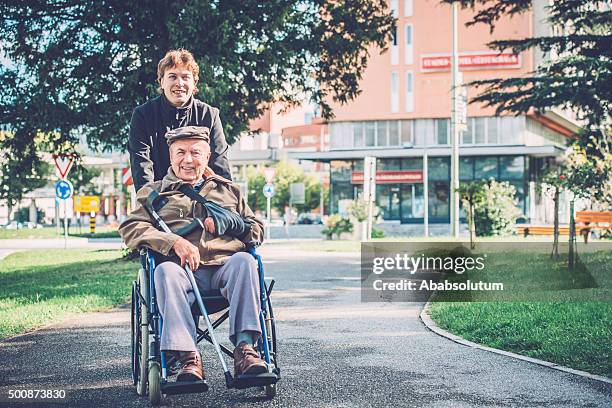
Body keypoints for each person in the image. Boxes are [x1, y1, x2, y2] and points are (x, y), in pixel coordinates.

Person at [119, 126, 266, 382]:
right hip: (182, 273)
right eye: (181, 152)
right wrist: (172, 241)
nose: (188, 160)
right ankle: (188, 358)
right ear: (171, 155)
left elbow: (257, 230)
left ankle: (246, 351)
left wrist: (230, 223)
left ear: (207, 156)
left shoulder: (229, 191)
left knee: (245, 261)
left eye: (195, 152)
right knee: (164, 270)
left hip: (225, 270)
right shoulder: (153, 194)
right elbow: (131, 228)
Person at [128, 48, 232, 192]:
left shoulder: (209, 115)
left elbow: (220, 164)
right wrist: (151, 204)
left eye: (185, 77)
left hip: (202, 198)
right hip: (160, 197)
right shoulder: (143, 115)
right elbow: (141, 165)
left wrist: (225, 204)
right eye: (172, 76)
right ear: (162, 82)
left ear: (194, 83)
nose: (179, 83)